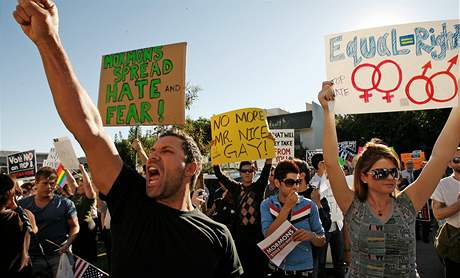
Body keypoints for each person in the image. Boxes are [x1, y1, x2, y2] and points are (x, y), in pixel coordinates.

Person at [13, 2, 243, 276]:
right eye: (153, 149)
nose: (154, 155)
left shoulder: (218, 235)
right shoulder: (131, 200)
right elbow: (90, 129)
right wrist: (48, 40)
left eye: (167, 151)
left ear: (191, 168)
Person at [318, 81, 460, 277]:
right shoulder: (352, 205)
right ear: (363, 176)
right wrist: (328, 111)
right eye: (381, 172)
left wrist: (459, 106)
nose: (390, 177)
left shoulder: (408, 203)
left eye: (394, 171)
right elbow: (332, 162)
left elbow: (440, 157)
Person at [260, 160, 326, 277]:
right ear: (277, 183)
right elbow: (268, 236)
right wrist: (287, 207)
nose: (295, 186)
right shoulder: (267, 205)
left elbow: (322, 240)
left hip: (304, 270)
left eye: (297, 182)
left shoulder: (309, 205)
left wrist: (312, 236)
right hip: (276, 269)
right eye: (290, 182)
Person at [214, 159, 272, 278]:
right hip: (240, 236)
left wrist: (269, 156)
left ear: (254, 172)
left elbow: (266, 170)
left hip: (257, 235)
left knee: (258, 269)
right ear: (240, 173)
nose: (247, 173)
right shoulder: (235, 188)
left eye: (250, 170)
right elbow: (219, 175)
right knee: (243, 269)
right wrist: (216, 157)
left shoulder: (258, 187)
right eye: (244, 171)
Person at [18, 167, 79, 277]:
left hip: (59, 255)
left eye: (52, 183)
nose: (49, 187)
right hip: (33, 257)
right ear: (36, 183)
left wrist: (68, 243)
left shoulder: (65, 203)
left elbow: (74, 226)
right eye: (45, 183)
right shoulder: (22, 204)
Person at [293, 158, 331, 278]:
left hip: (311, 254)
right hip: (290, 254)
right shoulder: (287, 196)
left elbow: (327, 224)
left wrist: (318, 204)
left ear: (302, 175)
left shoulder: (315, 194)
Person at [310, 153, 345, 278]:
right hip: (323, 226)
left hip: (336, 223)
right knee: (321, 262)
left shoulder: (333, 179)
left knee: (339, 260)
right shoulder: (313, 183)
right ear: (320, 164)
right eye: (326, 163)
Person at [0, 174, 38, 277]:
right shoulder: (25, 216)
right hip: (21, 272)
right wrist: (16, 207)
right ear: (12, 195)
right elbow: (34, 230)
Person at [431, 147, 460, 276]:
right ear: (449, 163)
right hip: (454, 240)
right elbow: (437, 214)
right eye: (457, 159)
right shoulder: (442, 184)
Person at [66, 164, 98, 264]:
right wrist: (65, 169)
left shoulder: (90, 196)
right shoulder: (76, 193)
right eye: (79, 183)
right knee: (77, 253)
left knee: (88, 254)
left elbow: (88, 184)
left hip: (86, 227)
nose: (79, 184)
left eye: (82, 183)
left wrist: (82, 169)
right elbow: (71, 181)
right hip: (76, 227)